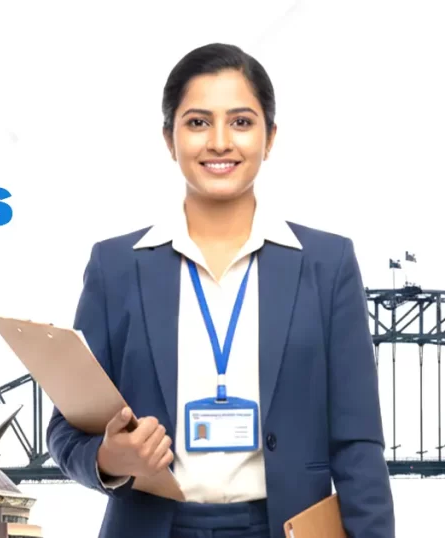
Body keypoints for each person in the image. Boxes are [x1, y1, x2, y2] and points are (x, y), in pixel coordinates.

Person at [46, 43, 395, 538]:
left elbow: (358, 445)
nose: (219, 142)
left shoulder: (328, 264)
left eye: (241, 121)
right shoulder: (115, 267)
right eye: (197, 122)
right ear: (169, 139)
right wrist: (109, 458)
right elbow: (65, 429)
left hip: (288, 527)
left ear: (270, 137)